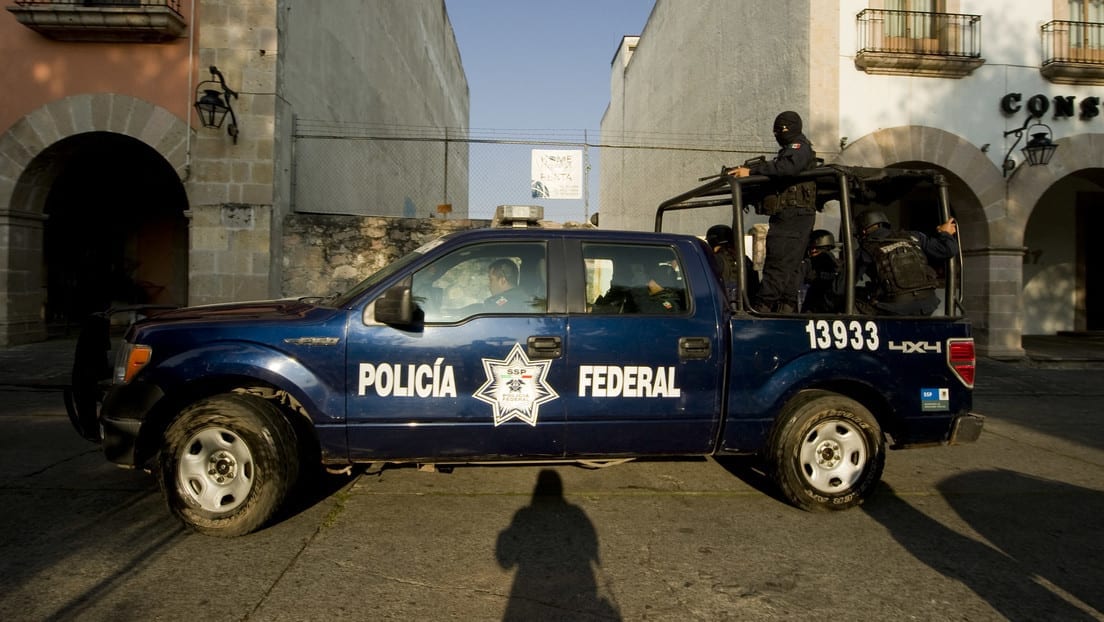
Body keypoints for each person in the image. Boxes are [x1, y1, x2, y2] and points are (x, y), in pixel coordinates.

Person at [729, 110, 818, 313]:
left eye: (779, 130)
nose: (777, 135)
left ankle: (764, 307)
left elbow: (787, 168)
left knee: (778, 263)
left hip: (792, 215)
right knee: (788, 265)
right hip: (793, 215)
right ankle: (784, 307)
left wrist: (752, 172)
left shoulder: (798, 148)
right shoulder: (793, 150)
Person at [853, 210, 959, 316]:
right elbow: (948, 250)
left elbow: (839, 288)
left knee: (853, 298)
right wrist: (945, 233)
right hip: (928, 305)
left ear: (863, 232)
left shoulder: (866, 249)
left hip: (894, 309)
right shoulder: (913, 236)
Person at [705, 224, 759, 304]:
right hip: (748, 307)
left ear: (713, 241)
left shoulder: (717, 259)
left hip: (727, 308)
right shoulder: (745, 259)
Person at [801, 229, 844, 313]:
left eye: (817, 249)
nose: (813, 251)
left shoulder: (837, 269)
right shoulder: (807, 265)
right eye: (811, 249)